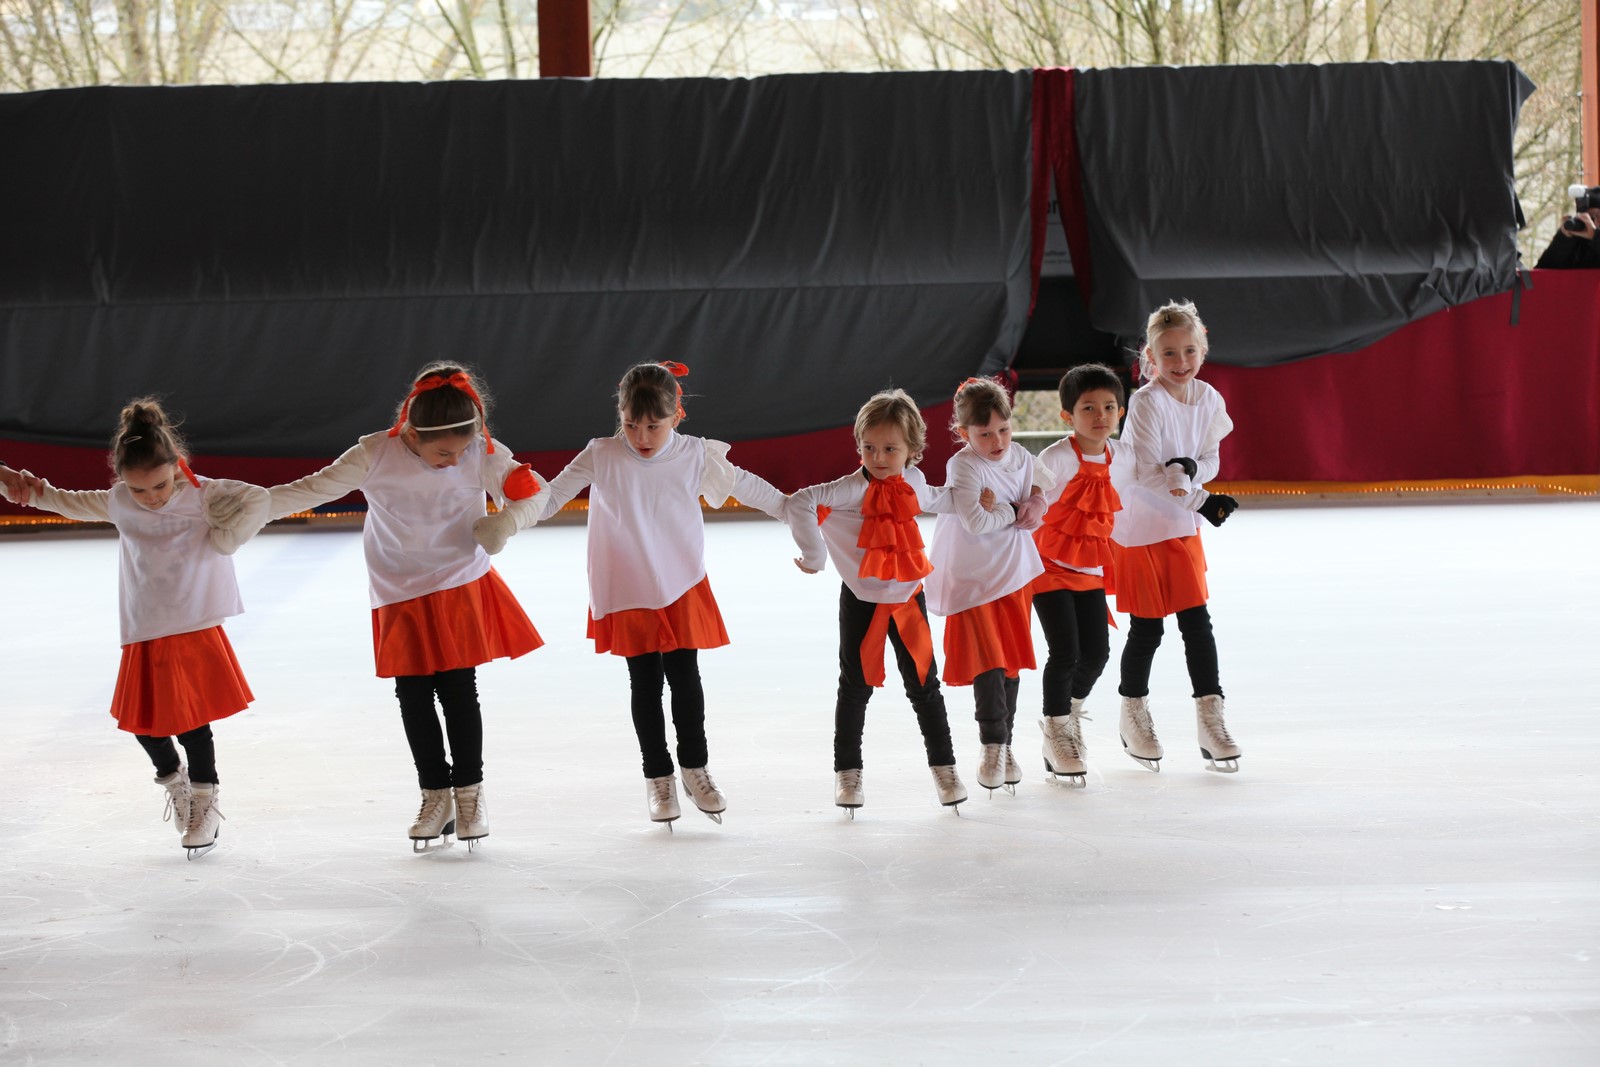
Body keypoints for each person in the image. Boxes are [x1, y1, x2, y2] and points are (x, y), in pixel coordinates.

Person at [266, 362, 545, 851]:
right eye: (443, 452)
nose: (453, 460)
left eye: (460, 451)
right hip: (398, 589)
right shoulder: (374, 453)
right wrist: (249, 507)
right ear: (413, 434)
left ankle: (469, 794)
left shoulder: (479, 450)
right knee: (413, 694)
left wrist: (507, 522)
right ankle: (435, 795)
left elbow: (533, 491)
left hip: (458, 580)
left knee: (458, 688)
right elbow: (310, 489)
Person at [0, 400, 270, 857]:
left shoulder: (204, 494)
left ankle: (204, 798)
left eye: (160, 485)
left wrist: (230, 537)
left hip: (192, 624)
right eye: (139, 488)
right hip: (144, 628)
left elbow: (263, 498)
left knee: (192, 723)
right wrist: (19, 484)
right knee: (144, 724)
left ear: (177, 465)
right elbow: (61, 499)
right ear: (122, 479)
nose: (152, 497)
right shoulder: (119, 502)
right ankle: (174, 781)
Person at [526, 362, 788, 828]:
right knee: (644, 682)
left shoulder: (695, 454)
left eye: (654, 426)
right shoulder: (602, 454)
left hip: (679, 581)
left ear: (676, 416)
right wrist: (511, 505)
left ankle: (695, 768)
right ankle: (658, 776)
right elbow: (548, 500)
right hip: (627, 586)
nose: (641, 436)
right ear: (620, 414)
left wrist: (792, 509)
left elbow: (747, 486)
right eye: (631, 424)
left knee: (685, 677)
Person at [785, 388, 968, 816]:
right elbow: (803, 501)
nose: (879, 458)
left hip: (907, 599)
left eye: (890, 449)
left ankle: (945, 769)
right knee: (855, 687)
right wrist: (814, 555)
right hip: (862, 601)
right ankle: (847, 771)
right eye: (869, 448)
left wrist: (983, 498)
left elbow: (940, 498)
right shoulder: (851, 488)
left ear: (912, 450)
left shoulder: (915, 482)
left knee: (924, 687)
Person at [1109, 301, 1242, 773]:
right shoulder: (1148, 402)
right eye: (1168, 353)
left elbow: (1211, 458)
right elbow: (1146, 473)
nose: (1180, 362)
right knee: (1148, 628)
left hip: (1182, 526)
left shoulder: (1209, 399)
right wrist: (1200, 499)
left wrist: (1192, 471)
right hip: (1144, 528)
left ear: (1202, 349)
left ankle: (1211, 719)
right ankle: (1132, 714)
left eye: (1188, 351)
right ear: (1152, 356)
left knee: (1197, 623)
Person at [925, 376, 1051, 794]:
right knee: (989, 659)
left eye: (1003, 429)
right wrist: (1017, 509)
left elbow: (1038, 487)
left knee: (1009, 660)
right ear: (964, 433)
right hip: (975, 576)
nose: (997, 441)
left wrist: (1037, 500)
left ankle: (1005, 743)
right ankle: (992, 744)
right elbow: (977, 522)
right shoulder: (963, 465)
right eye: (984, 434)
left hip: (1013, 571)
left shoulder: (1021, 456)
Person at [1029, 363, 1131, 786]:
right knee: (1065, 651)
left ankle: (1068, 712)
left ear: (1120, 412)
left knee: (1097, 654)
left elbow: (1148, 480)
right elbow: (1030, 498)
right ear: (1068, 416)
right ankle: (1056, 732)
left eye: (1108, 407)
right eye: (1088, 407)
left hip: (1089, 568)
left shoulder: (1120, 455)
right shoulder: (1056, 457)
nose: (1100, 415)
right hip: (1048, 567)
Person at [1534, 189, 1600, 270]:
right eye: (1590, 217)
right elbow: (1542, 270)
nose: (1594, 223)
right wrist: (1564, 238)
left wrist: (1595, 236)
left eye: (1598, 216)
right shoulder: (1577, 238)